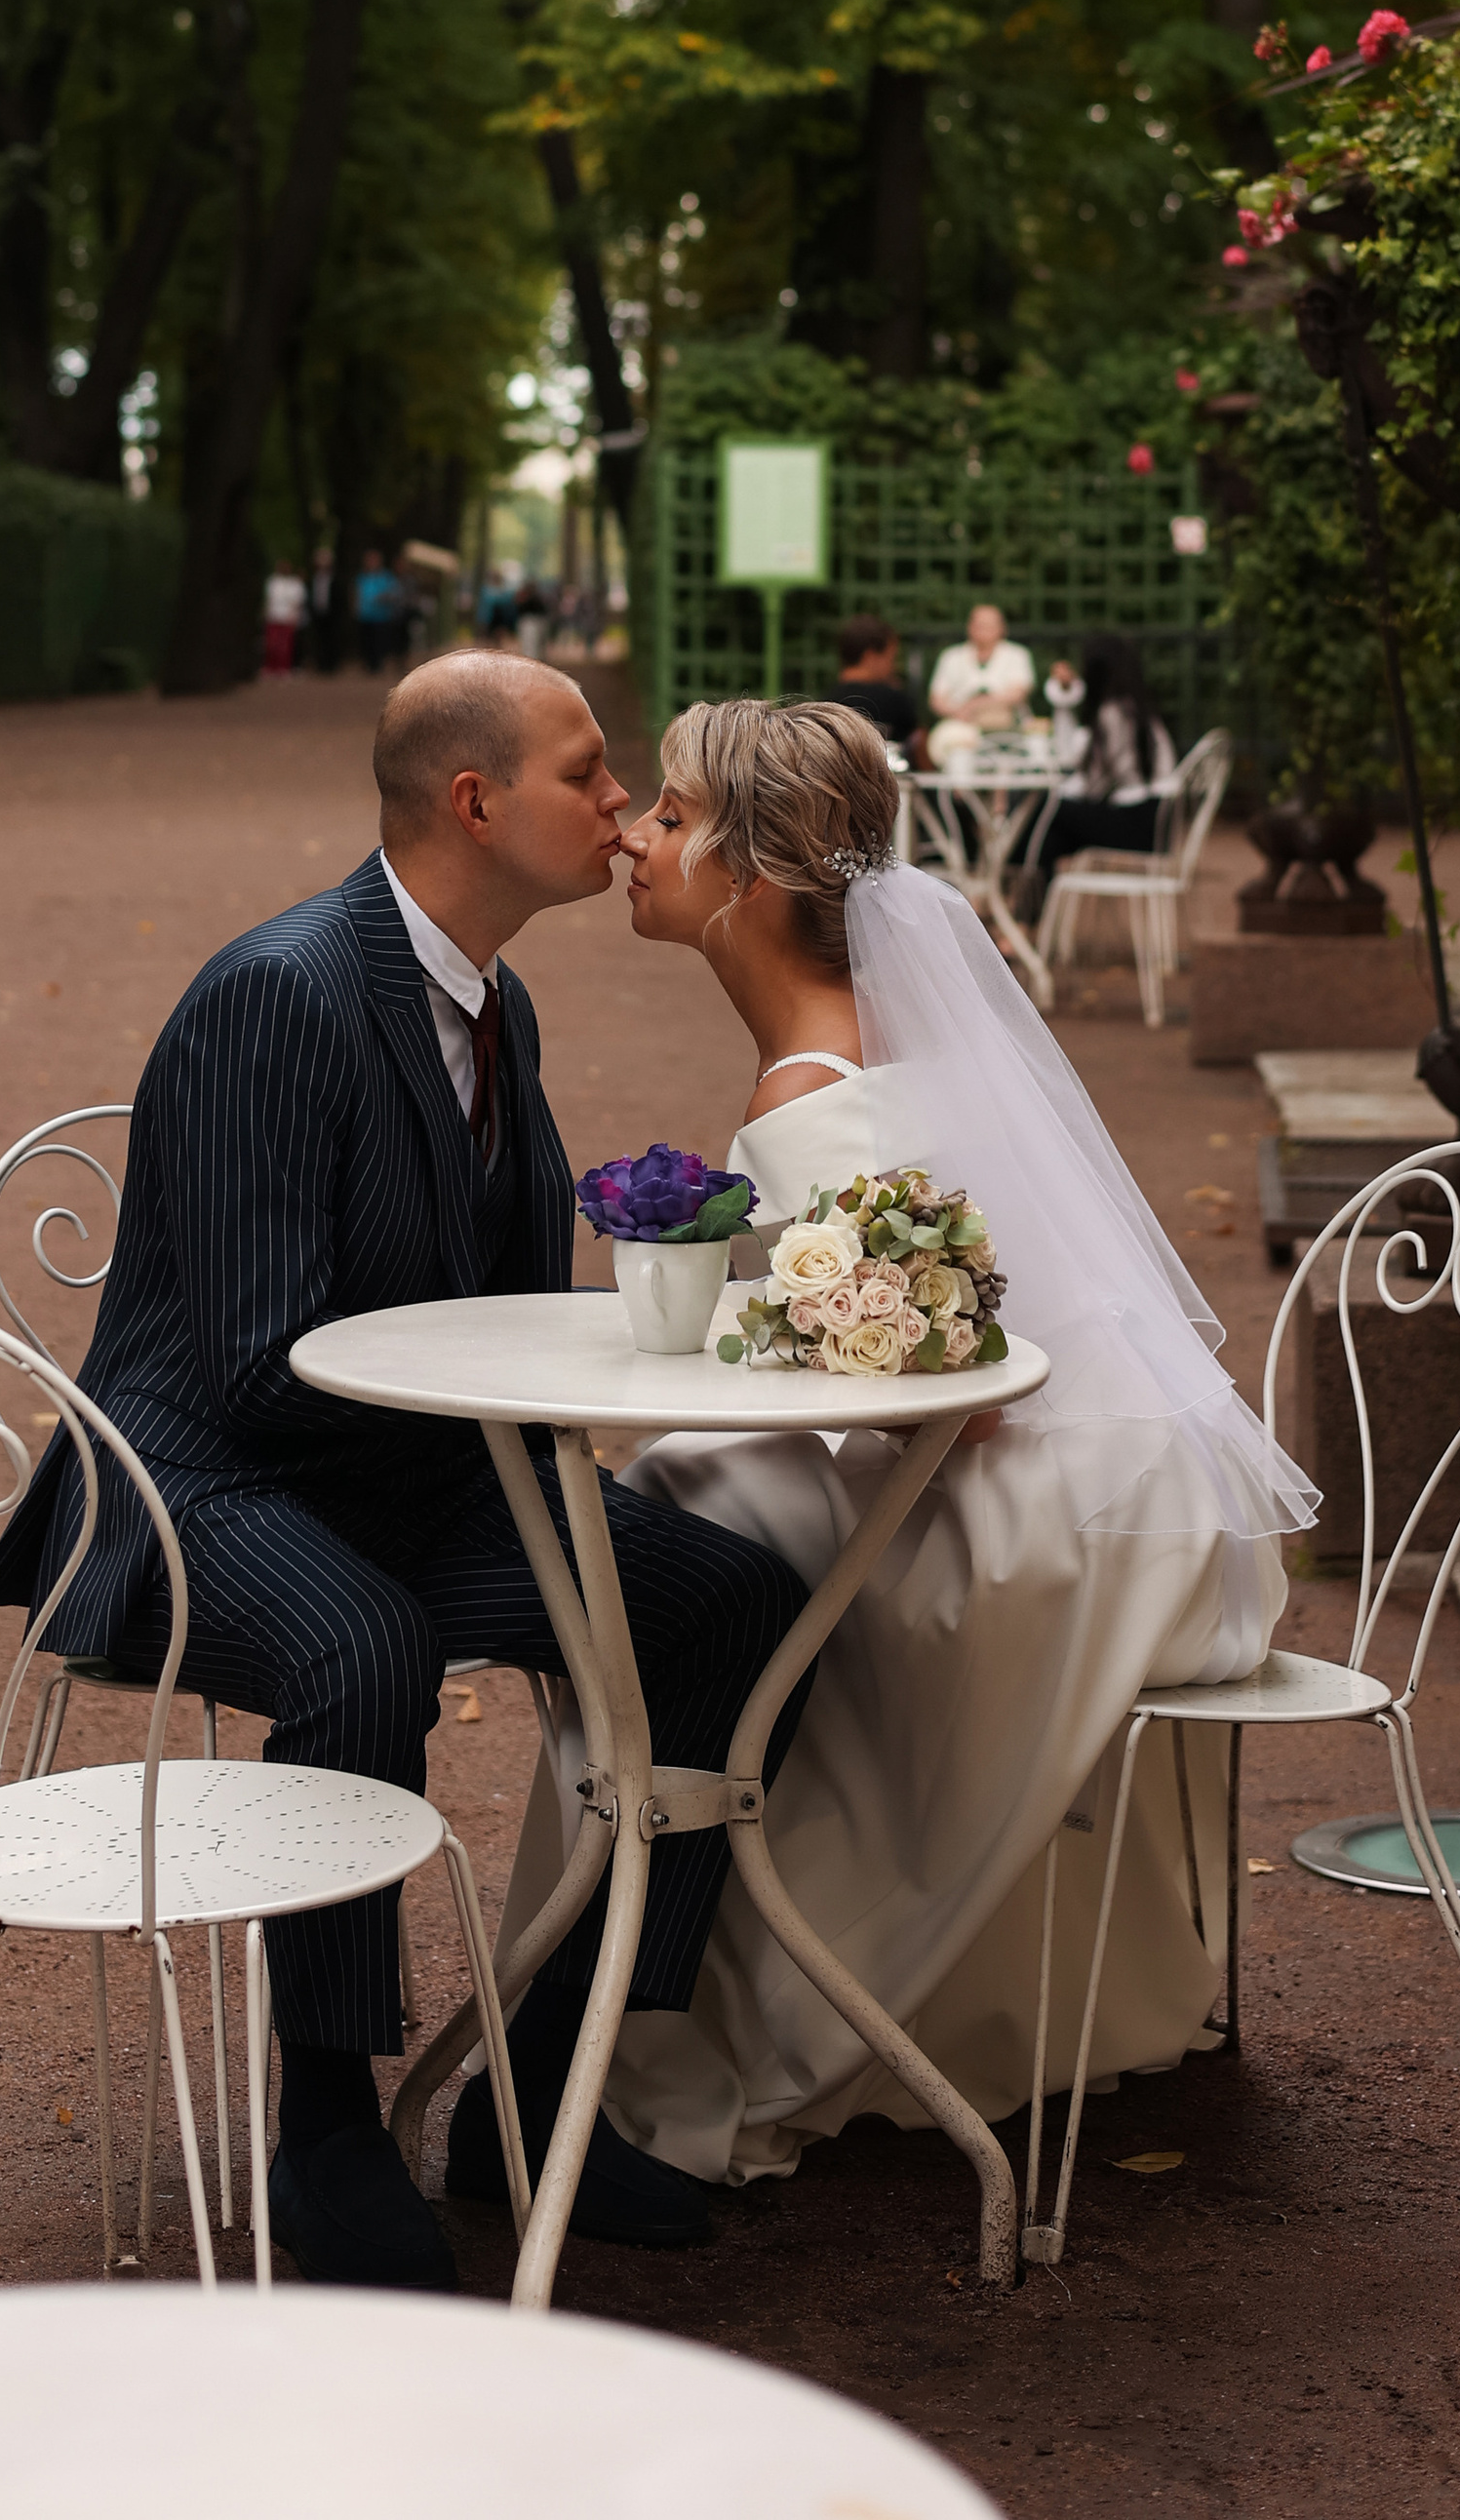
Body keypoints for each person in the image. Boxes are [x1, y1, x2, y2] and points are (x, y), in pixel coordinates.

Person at [0, 657, 814, 2289]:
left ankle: (539, 2086)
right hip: (196, 1486)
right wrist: (500, 1429)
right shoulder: (275, 992)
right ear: (476, 802)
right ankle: (330, 2120)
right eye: (590, 771)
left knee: (734, 1595)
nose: (623, 801)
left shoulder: (502, 1000)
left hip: (397, 1476)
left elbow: (497, 1296)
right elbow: (248, 1360)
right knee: (362, 1641)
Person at [498, 697, 1318, 2190]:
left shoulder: (811, 1096)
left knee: (677, 1544)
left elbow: (957, 1386)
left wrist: (764, 1345)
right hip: (1132, 1481)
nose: (633, 833)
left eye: (670, 817)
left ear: (749, 873)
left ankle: (666, 2002)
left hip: (1046, 1524)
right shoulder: (903, 1043)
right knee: (708, 1494)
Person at [1028, 630, 1178, 883]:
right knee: (1054, 833)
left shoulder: (1112, 714)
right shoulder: (1138, 709)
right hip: (1157, 822)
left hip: (1139, 827)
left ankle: (1019, 892)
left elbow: (1094, 787)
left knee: (1047, 810)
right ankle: (1032, 908)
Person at [925, 600, 1033, 743]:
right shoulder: (951, 656)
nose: (983, 630)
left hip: (1009, 730)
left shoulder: (1017, 654)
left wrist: (975, 705)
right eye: (979, 625)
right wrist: (958, 713)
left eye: (989, 625)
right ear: (969, 627)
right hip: (961, 729)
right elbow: (936, 699)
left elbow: (1018, 694)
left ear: (1002, 628)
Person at [828, 611, 920, 759]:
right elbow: (917, 744)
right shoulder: (893, 700)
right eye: (891, 658)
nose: (894, 666)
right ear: (871, 657)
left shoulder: (827, 702)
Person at [352, 546, 402, 677]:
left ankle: (378, 665)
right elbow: (356, 594)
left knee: (379, 641)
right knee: (366, 642)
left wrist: (383, 598)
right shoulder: (362, 577)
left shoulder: (386, 576)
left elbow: (394, 593)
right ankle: (368, 665)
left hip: (381, 615)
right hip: (365, 615)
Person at [260, 563, 308, 678]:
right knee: (272, 643)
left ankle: (284, 667)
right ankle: (271, 667)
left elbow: (298, 602)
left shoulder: (295, 583)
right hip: (273, 617)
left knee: (286, 644)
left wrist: (295, 616)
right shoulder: (272, 582)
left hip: (288, 618)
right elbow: (269, 599)